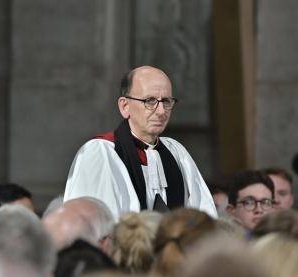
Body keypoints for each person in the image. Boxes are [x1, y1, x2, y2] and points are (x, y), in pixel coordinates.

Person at [63, 66, 216, 220]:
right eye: (150, 101)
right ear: (125, 106)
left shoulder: (176, 152)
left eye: (167, 101)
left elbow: (204, 217)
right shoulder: (100, 152)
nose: (161, 111)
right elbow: (93, 224)